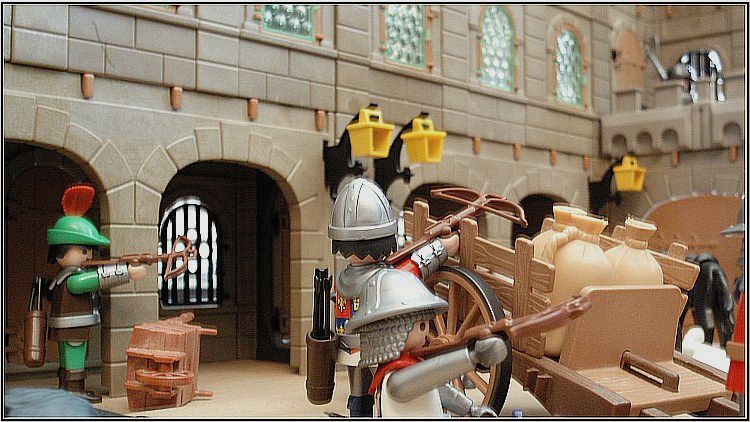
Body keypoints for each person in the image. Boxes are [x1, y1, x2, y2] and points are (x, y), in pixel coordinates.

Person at [327, 178, 459, 416]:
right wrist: (444, 247)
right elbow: (416, 266)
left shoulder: (341, 279)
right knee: (384, 385)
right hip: (380, 343)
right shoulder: (384, 279)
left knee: (359, 389)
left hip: (348, 345)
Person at [345, 268, 504, 417]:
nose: (427, 332)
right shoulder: (396, 382)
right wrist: (473, 357)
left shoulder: (412, 367)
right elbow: (430, 374)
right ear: (394, 331)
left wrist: (470, 409)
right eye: (421, 326)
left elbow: (439, 389)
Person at [45, 184, 146, 401]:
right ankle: (74, 392)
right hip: (73, 327)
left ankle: (67, 389)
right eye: (83, 250)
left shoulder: (65, 276)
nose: (88, 256)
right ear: (61, 251)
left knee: (69, 358)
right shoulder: (74, 278)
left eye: (89, 251)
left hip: (71, 326)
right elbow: (97, 279)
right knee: (74, 359)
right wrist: (127, 272)